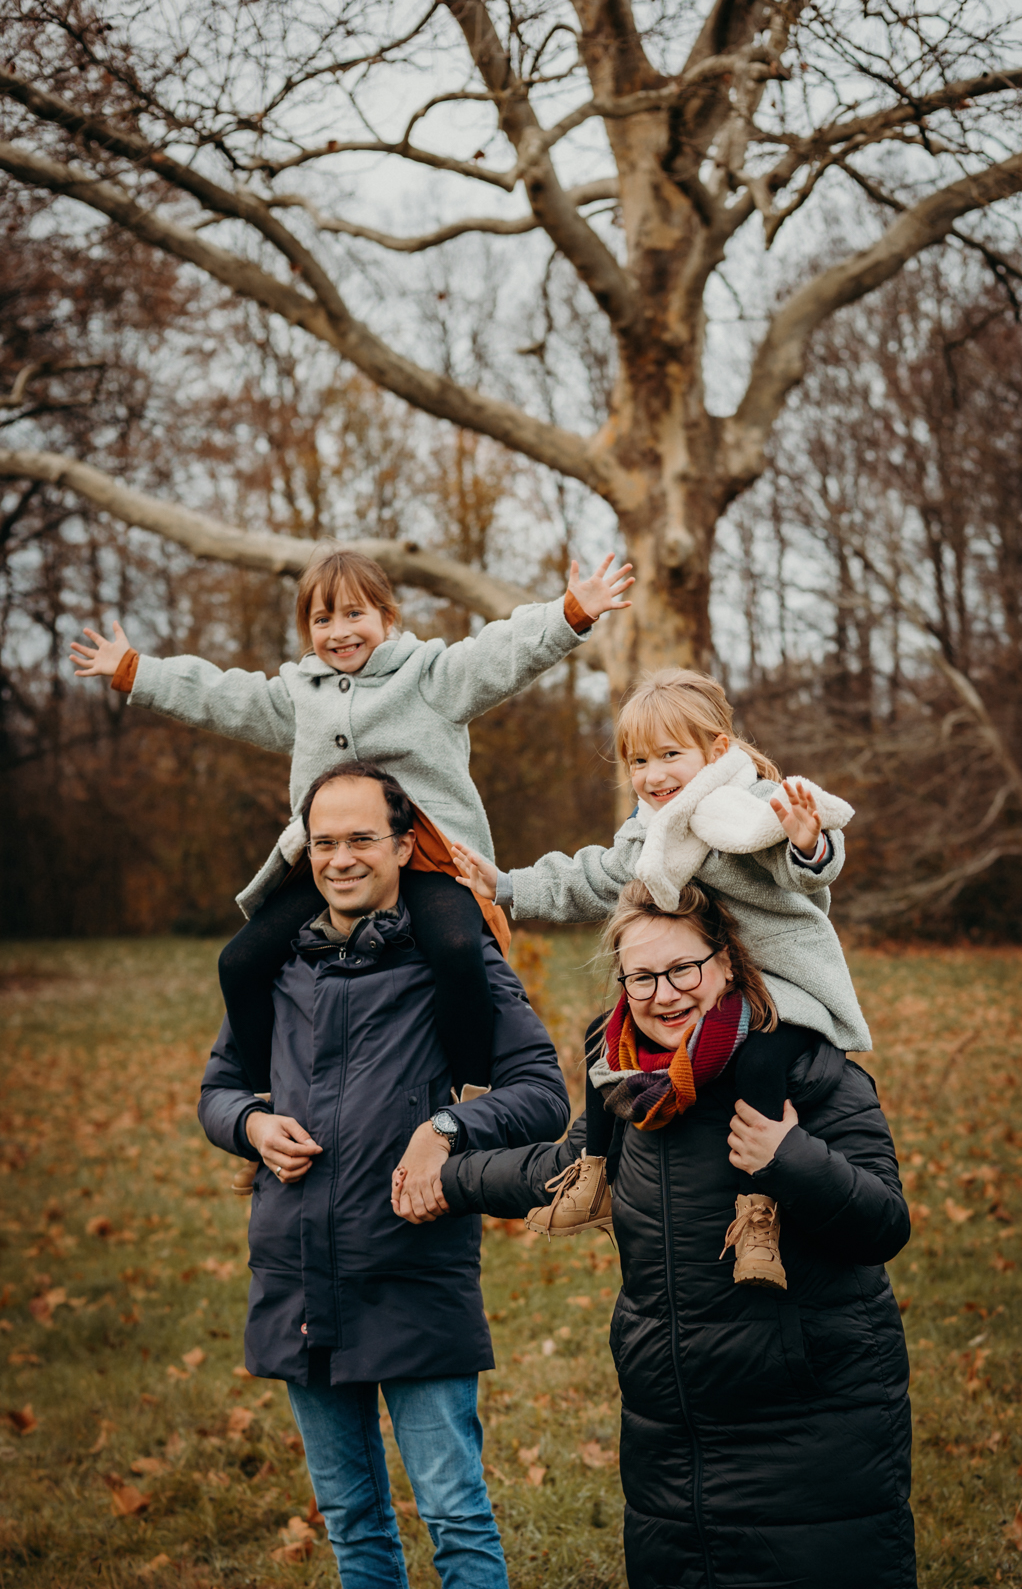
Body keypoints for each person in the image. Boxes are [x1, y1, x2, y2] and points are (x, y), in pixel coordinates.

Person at [432, 882, 916, 1589]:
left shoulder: (804, 1068)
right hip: (672, 1433)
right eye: (640, 977)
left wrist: (788, 1158)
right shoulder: (628, 1090)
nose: (663, 995)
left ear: (727, 964)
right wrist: (443, 1176)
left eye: (682, 969)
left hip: (807, 1428)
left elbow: (883, 1223)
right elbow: (564, 1168)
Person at [71, 545, 632, 1096]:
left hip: (432, 863)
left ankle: (471, 1090)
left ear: (387, 618)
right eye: (322, 619)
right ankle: (270, 1094)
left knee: (458, 950)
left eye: (354, 614)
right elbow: (225, 697)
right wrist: (135, 671)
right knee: (238, 961)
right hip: (337, 869)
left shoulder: (428, 678)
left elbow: (498, 654)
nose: (339, 631)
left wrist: (569, 613)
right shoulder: (301, 696)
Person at [198, 760, 571, 1589]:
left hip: (410, 1267)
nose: (340, 858)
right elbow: (219, 1091)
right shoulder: (276, 966)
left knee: (453, 1514)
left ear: (404, 845)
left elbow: (541, 1092)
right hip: (297, 1275)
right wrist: (252, 1125)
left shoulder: (452, 955)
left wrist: (448, 1126)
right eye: (324, 842)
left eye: (362, 838)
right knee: (352, 1521)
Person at [453, 666, 868, 1285]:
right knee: (603, 1034)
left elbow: (801, 864)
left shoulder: (747, 808)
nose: (652, 775)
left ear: (717, 751)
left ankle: (757, 1211)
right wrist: (509, 886)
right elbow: (593, 876)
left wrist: (809, 844)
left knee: (760, 1058)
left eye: (670, 755)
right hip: (700, 980)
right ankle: (594, 1172)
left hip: (778, 981)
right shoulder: (652, 830)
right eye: (638, 761)